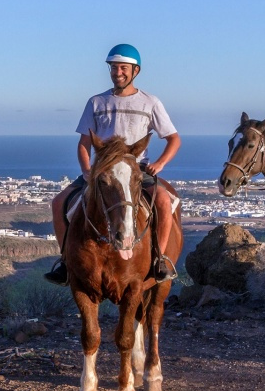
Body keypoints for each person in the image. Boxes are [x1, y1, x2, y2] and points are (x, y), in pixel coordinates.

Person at [45, 44, 181, 285]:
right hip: (103, 171)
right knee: (58, 203)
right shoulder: (96, 102)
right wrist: (87, 171)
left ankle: (160, 259)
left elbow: (173, 138)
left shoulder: (150, 102)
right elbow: (83, 143)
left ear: (135, 71)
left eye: (123, 68)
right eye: (114, 67)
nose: (118, 72)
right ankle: (66, 262)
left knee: (162, 200)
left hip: (135, 170)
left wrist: (159, 164)